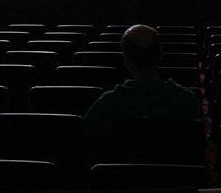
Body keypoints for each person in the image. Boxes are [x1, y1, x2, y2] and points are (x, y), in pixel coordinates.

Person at [82, 24, 202, 163]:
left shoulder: (106, 106)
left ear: (126, 60)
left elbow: (87, 151)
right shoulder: (187, 102)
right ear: (160, 54)